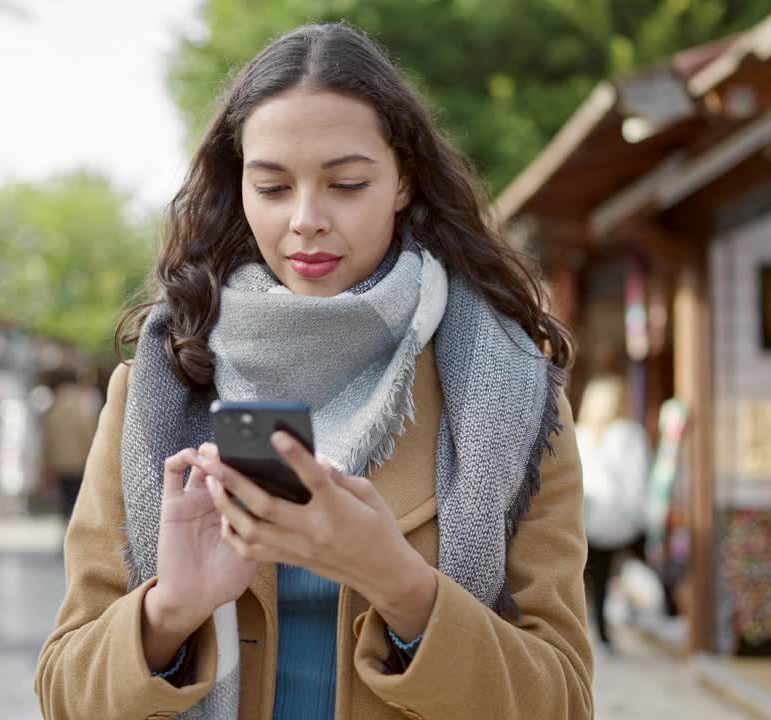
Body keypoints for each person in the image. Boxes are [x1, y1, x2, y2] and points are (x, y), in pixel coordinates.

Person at [35, 23, 592, 720]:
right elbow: (62, 693)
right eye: (271, 187)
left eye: (346, 183)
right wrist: (168, 614)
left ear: (402, 182)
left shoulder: (510, 393)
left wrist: (398, 584)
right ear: (236, 185)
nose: (305, 220)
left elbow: (564, 701)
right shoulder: (160, 383)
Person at [577, 374, 651, 650]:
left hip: (589, 520)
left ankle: (600, 630)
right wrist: (643, 519)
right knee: (644, 566)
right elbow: (637, 481)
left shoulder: (578, 433)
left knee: (597, 577)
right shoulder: (630, 434)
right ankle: (655, 614)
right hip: (623, 519)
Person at [41, 369, 98, 525]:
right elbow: (89, 433)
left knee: (65, 497)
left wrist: (48, 461)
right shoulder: (82, 406)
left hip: (60, 462)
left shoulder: (54, 407)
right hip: (80, 461)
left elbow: (48, 437)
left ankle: (67, 525)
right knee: (78, 496)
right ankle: (76, 526)